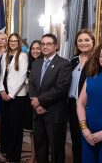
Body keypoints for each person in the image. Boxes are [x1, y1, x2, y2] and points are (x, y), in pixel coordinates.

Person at [28, 33, 72, 163]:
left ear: (56, 46)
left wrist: (40, 101)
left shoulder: (64, 64)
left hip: (54, 113)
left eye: (48, 44)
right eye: (42, 44)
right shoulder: (36, 63)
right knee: (40, 146)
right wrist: (35, 101)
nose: (45, 46)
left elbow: (60, 88)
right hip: (38, 113)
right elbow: (31, 84)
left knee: (56, 149)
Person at [0, 33, 29, 162]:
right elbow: (1, 75)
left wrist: (11, 95)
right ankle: (6, 150)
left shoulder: (23, 56)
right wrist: (1, 90)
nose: (13, 43)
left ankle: (14, 155)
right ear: (8, 42)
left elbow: (22, 77)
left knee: (16, 126)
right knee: (6, 125)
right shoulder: (5, 55)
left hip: (17, 97)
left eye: (15, 41)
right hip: (4, 95)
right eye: (11, 41)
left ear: (19, 42)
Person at [68, 29, 95, 163]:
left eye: (86, 40)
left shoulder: (98, 61)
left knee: (89, 138)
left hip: (89, 106)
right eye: (80, 40)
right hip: (73, 105)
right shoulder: (73, 60)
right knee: (76, 139)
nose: (83, 43)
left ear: (93, 42)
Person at [25, 40, 42, 163]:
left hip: (43, 101)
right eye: (33, 48)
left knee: (42, 131)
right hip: (29, 100)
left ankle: (41, 155)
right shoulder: (28, 64)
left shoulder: (45, 63)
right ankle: (33, 155)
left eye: (38, 48)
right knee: (32, 131)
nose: (35, 50)